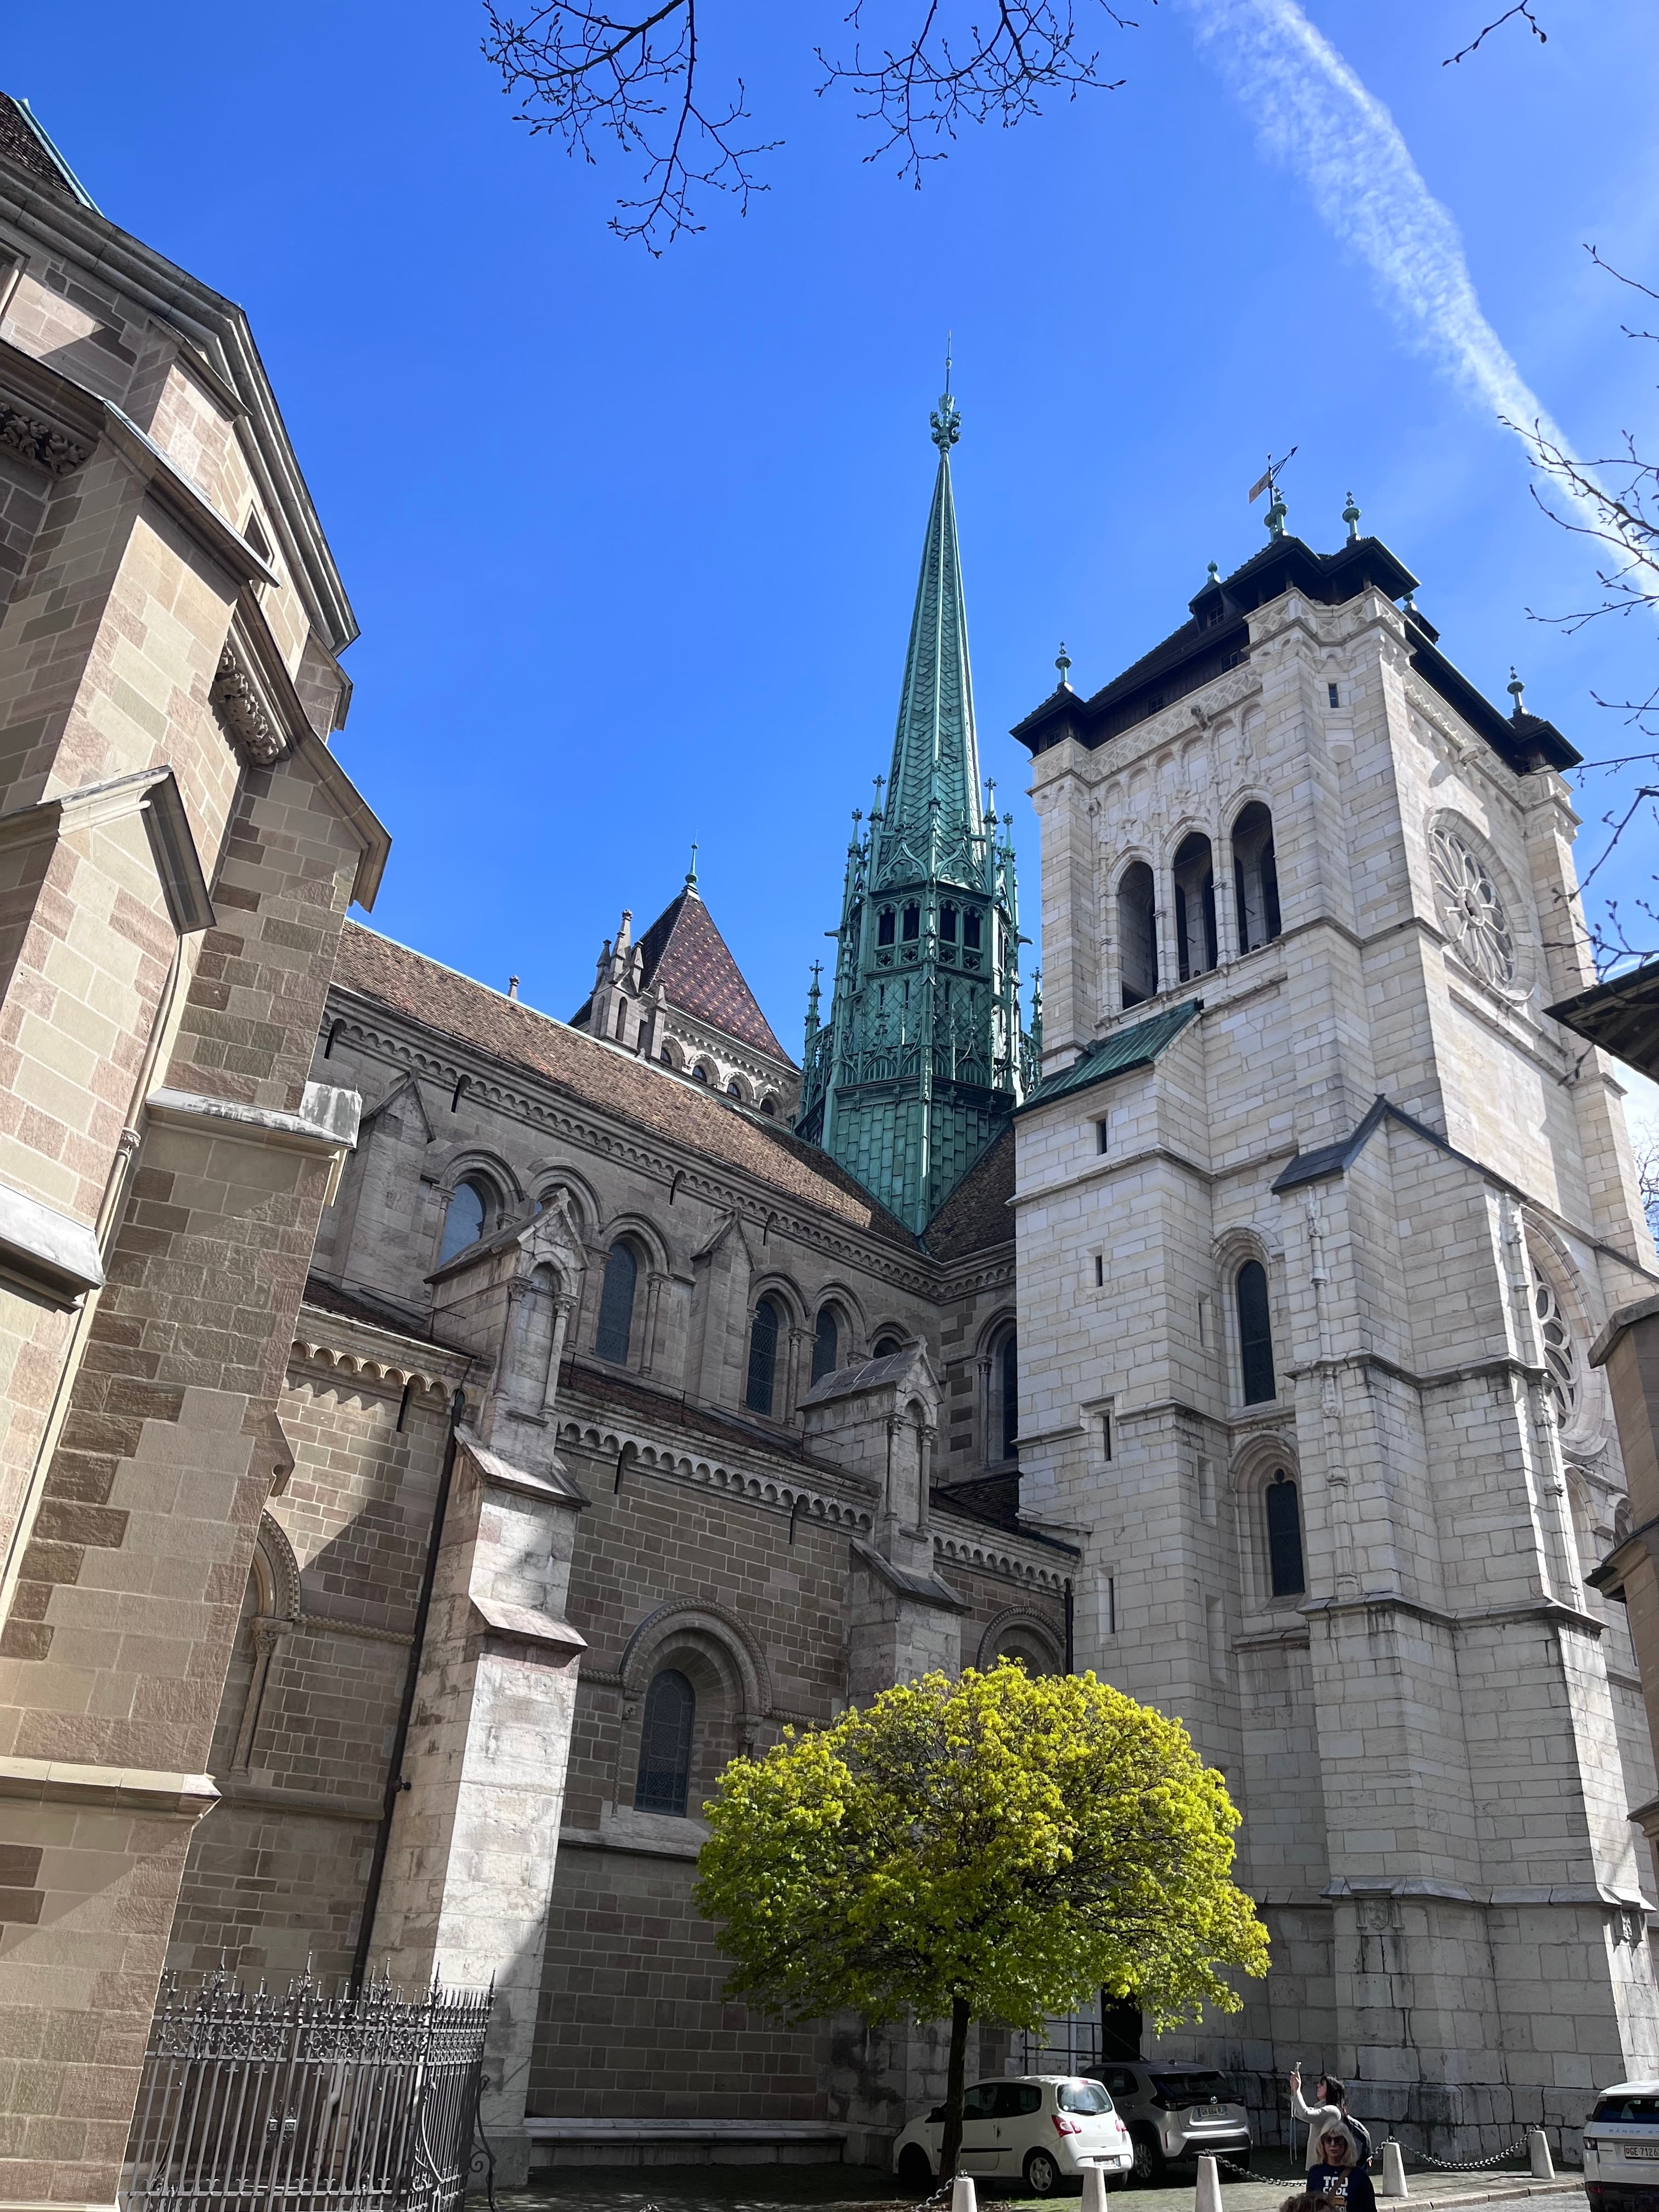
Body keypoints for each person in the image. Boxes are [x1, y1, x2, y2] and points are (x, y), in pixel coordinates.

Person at [1291, 2067, 1372, 2169]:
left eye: (1322, 2084)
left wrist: (1298, 2091)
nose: (1318, 2086)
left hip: (1325, 2164)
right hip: (1320, 2164)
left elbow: (1305, 2114)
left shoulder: (1332, 2110)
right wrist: (1294, 2091)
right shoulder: (1322, 2108)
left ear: (1330, 2089)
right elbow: (1298, 2113)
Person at [1307, 2123, 1376, 2212]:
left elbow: (1370, 2208)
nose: (1333, 2144)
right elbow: (1309, 2207)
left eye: (1338, 2140)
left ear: (1346, 2143)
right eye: (1328, 2140)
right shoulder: (1315, 2173)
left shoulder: (1359, 2176)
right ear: (1322, 2143)